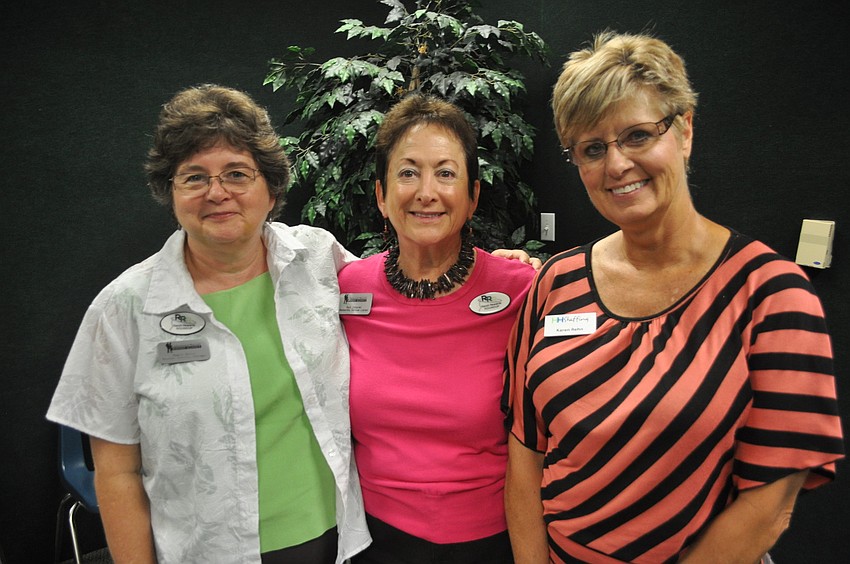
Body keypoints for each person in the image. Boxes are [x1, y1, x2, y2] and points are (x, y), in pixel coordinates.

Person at [502, 31, 845, 564]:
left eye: (637, 135)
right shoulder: (554, 282)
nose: (616, 165)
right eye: (592, 148)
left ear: (684, 130)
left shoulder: (771, 294)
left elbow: (772, 498)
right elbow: (525, 452)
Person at [46, 84, 370, 563]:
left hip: (337, 540)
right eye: (194, 177)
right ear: (170, 192)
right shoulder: (125, 308)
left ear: (271, 187)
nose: (217, 193)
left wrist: (507, 270)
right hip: (205, 551)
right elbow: (115, 473)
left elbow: (406, 292)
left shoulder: (318, 258)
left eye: (237, 173)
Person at [338, 93, 536, 563]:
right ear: (382, 197)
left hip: (492, 541)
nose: (426, 191)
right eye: (408, 172)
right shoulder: (346, 289)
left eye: (446, 173)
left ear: (472, 198)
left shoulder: (523, 289)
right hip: (374, 541)